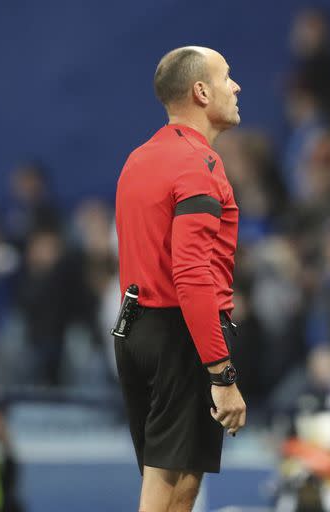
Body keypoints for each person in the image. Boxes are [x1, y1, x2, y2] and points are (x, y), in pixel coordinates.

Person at [114, 46, 247, 512]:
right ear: (201, 90)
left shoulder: (137, 159)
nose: (236, 86)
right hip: (181, 335)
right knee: (166, 490)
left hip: (135, 329)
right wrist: (221, 372)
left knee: (180, 489)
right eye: (227, 77)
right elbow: (191, 275)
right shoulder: (200, 165)